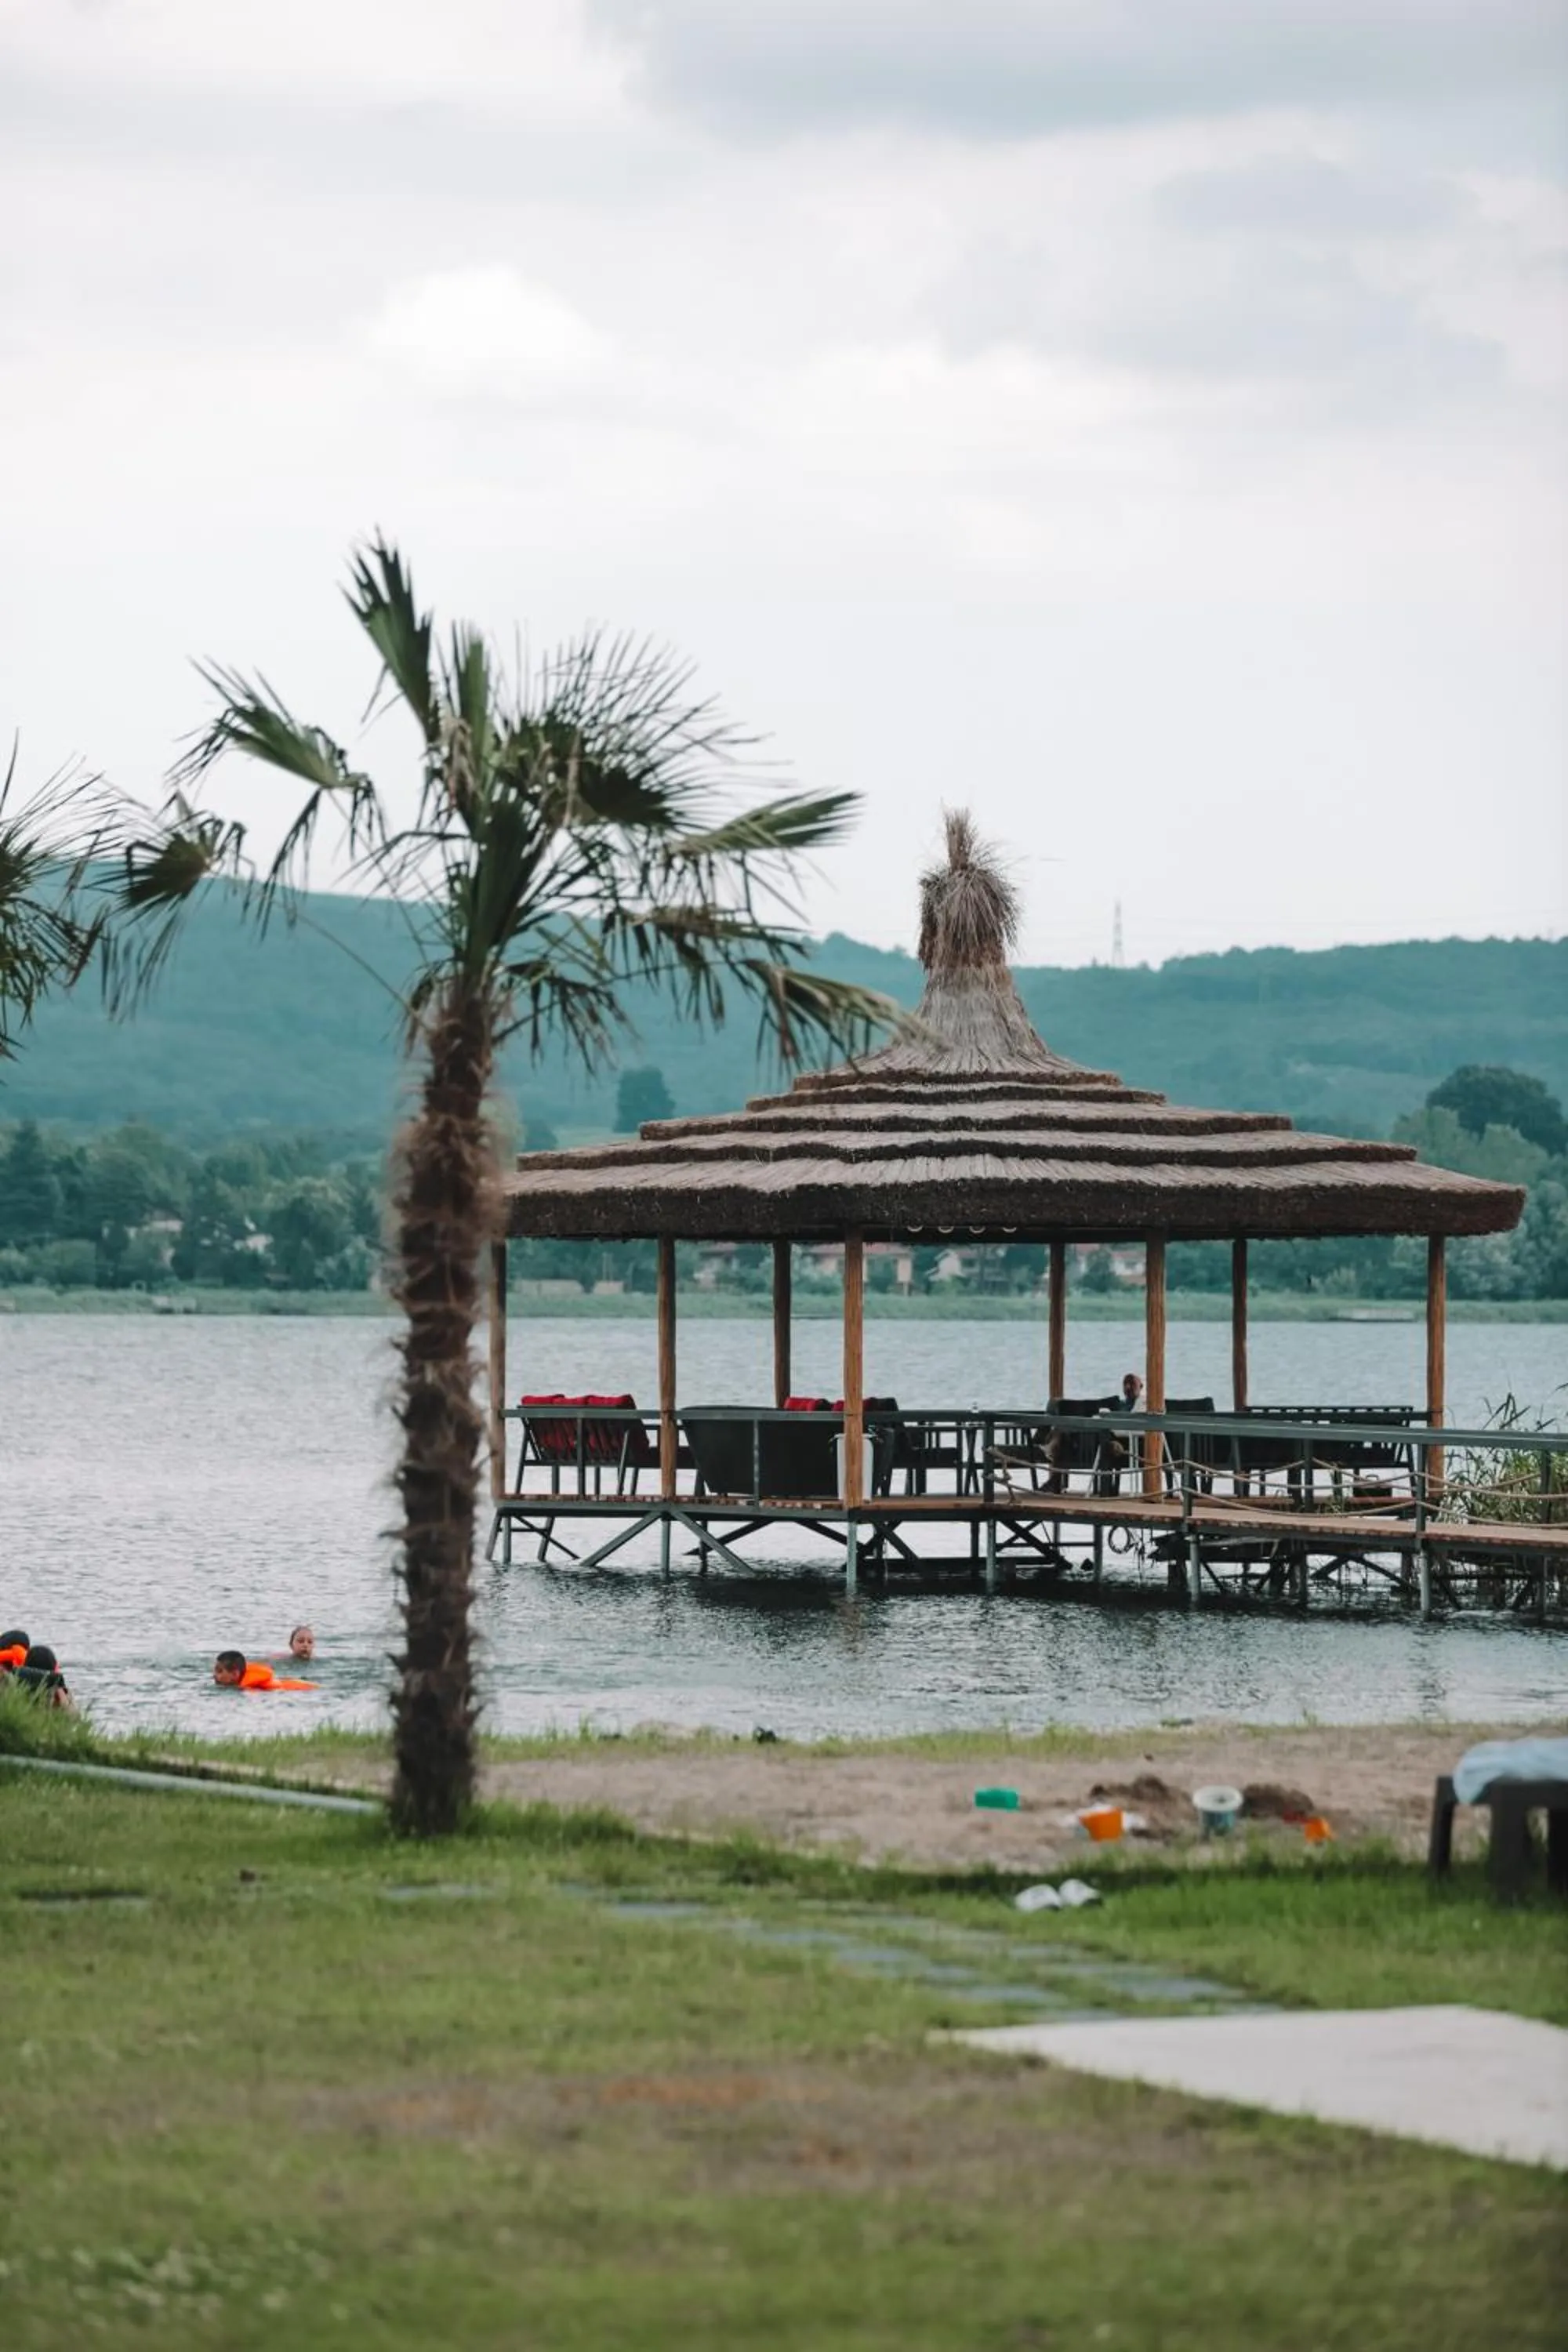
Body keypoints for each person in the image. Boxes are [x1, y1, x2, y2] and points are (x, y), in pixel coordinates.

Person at [213, 1650, 316, 1693]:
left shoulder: (250, 1690)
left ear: (235, 1674)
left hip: (305, 1689)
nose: (214, 1675)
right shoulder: (246, 1681)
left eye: (219, 1671)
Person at [12, 1642, 73, 1709]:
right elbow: (74, 1717)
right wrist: (60, 1687)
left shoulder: (16, 1691)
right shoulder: (59, 1695)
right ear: (55, 1668)